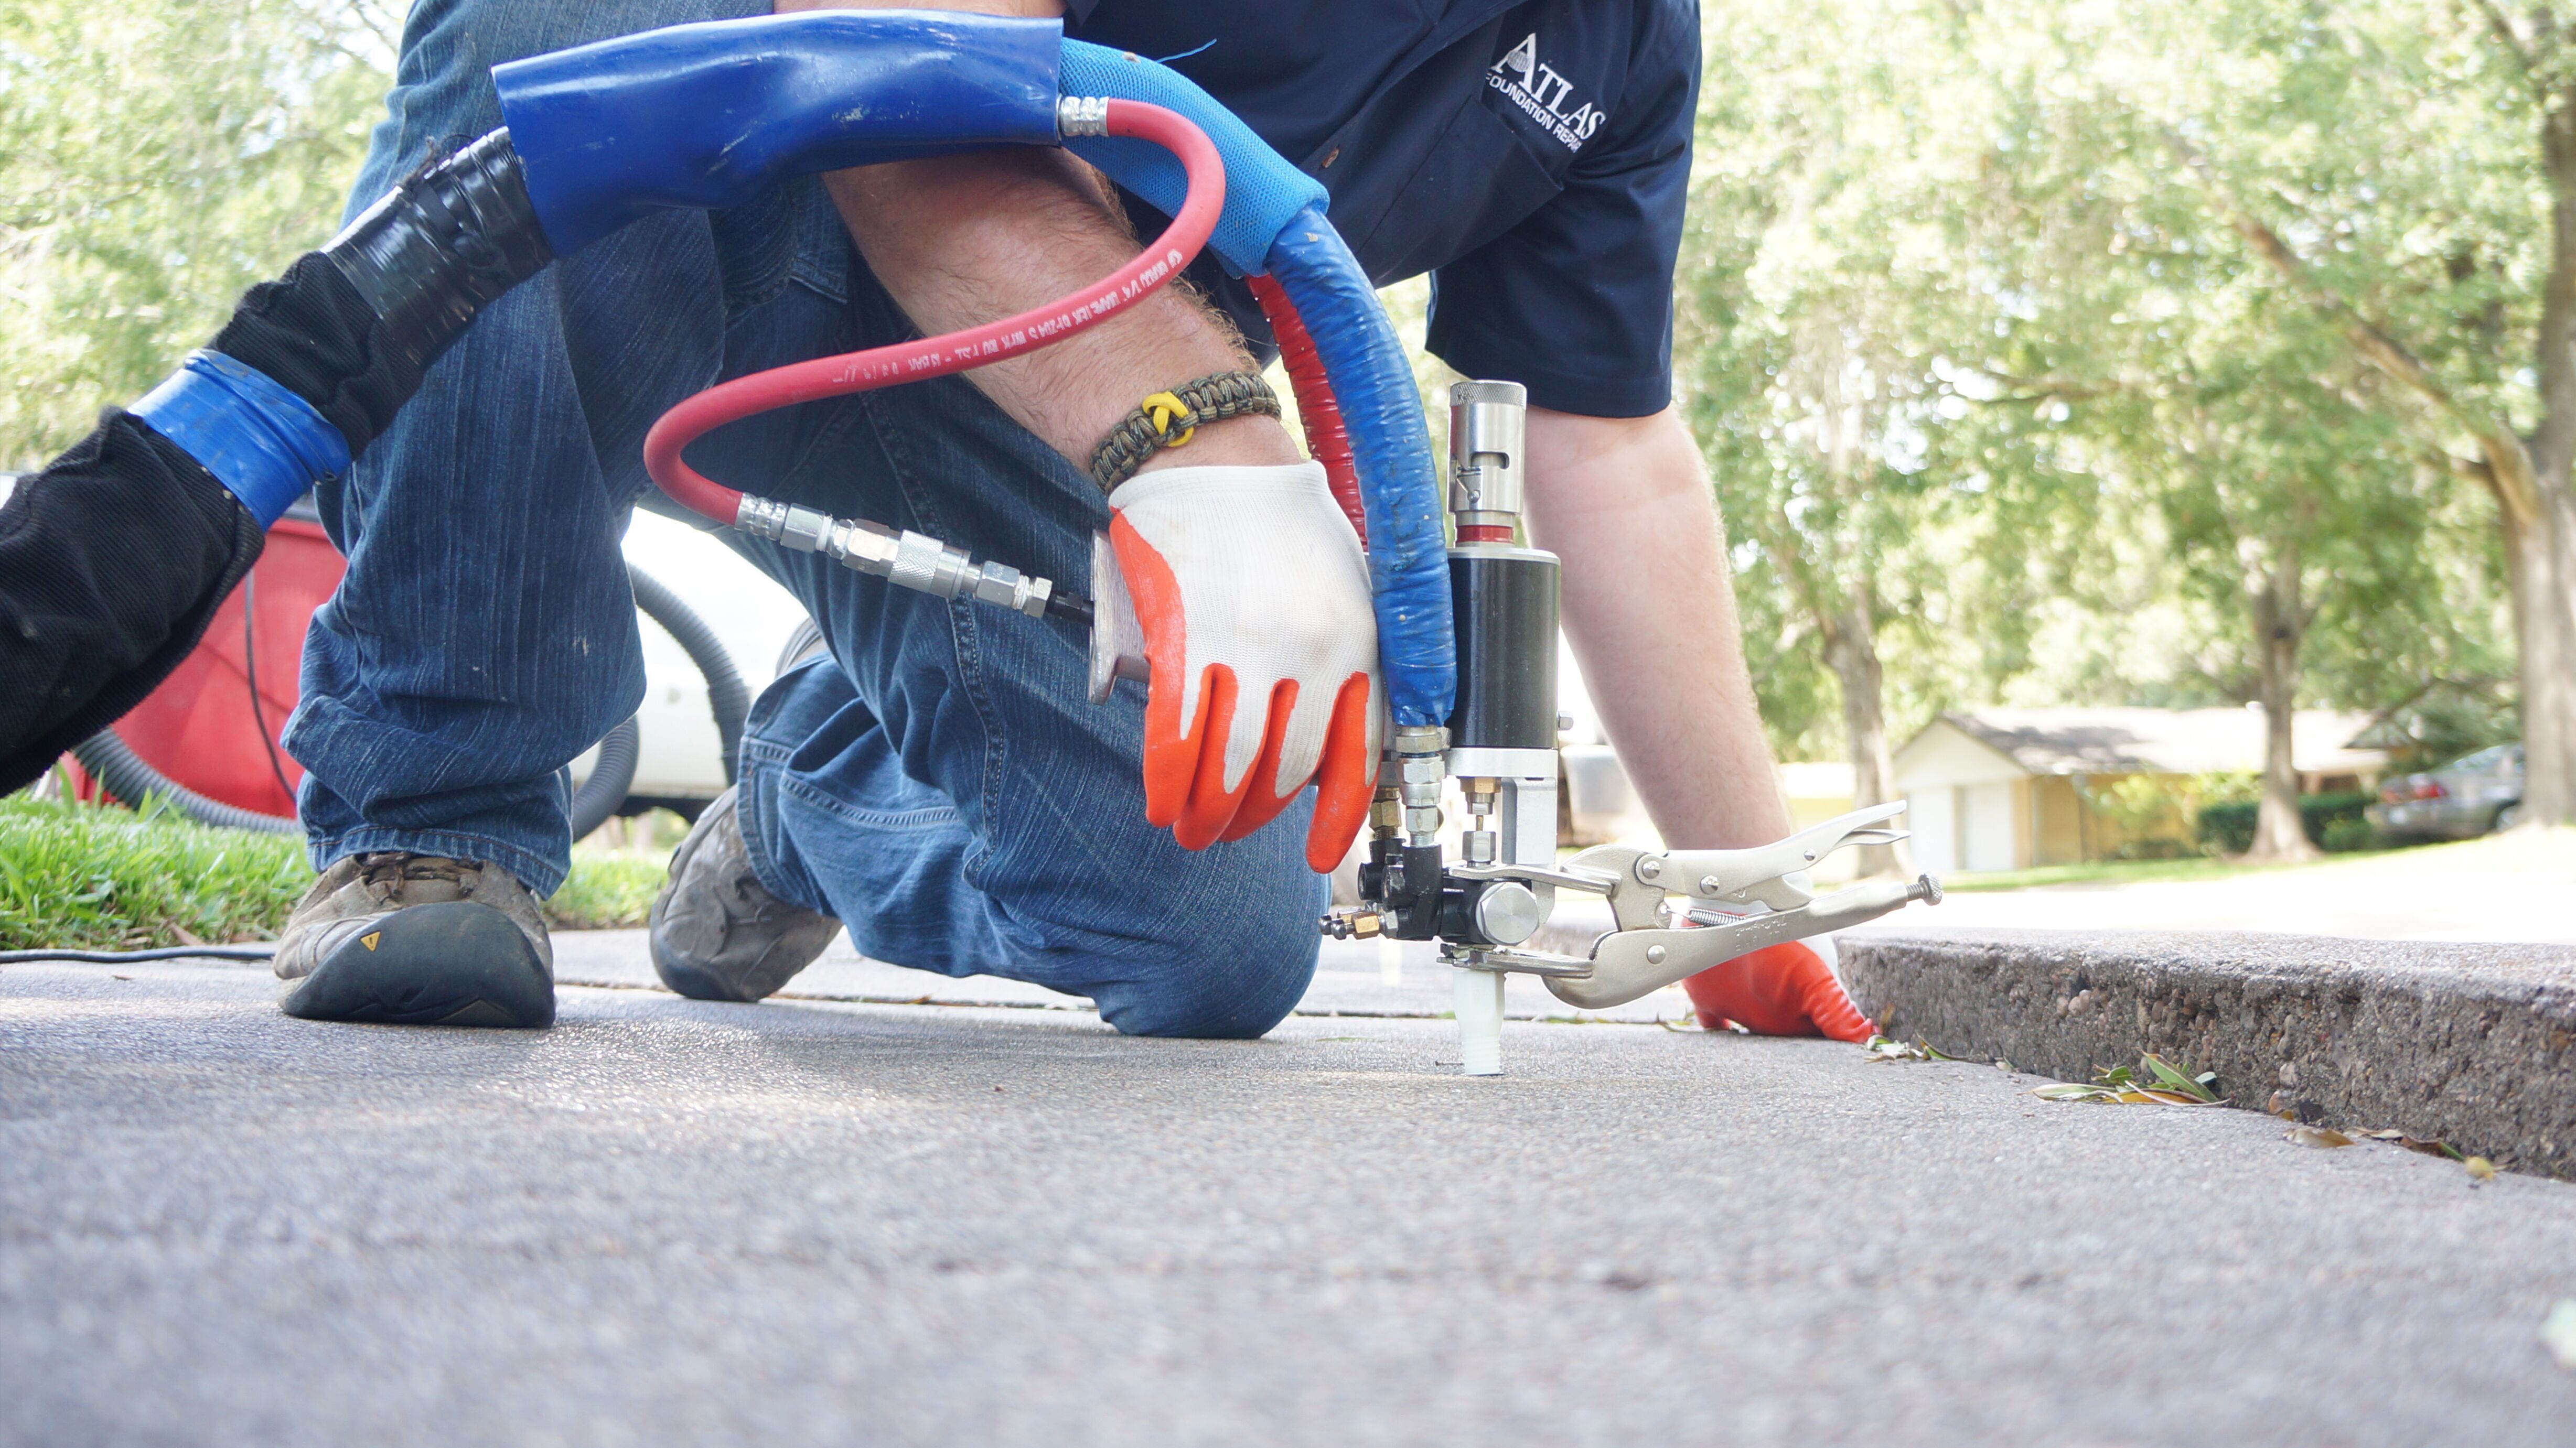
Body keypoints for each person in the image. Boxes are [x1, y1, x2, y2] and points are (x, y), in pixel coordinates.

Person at [277, 0, 1874, 1043]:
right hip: (706, 208)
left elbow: (1608, 447)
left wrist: (1740, 892)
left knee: (1217, 943)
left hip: (1036, 408)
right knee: (564, 24)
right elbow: (906, 71)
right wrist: (1209, 437)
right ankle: (438, 823)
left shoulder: (1626, 47)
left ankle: (811, 788)